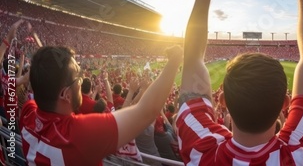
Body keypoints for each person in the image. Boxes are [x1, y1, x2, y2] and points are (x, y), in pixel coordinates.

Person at [175, 0, 303, 165]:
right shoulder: (299, 154)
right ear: (285, 104)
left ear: (223, 102)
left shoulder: (202, 151)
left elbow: (191, 59)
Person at [19, 44, 182, 166]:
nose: (81, 83)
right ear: (65, 94)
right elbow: (147, 111)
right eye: (78, 78)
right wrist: (175, 60)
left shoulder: (28, 112)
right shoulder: (80, 134)